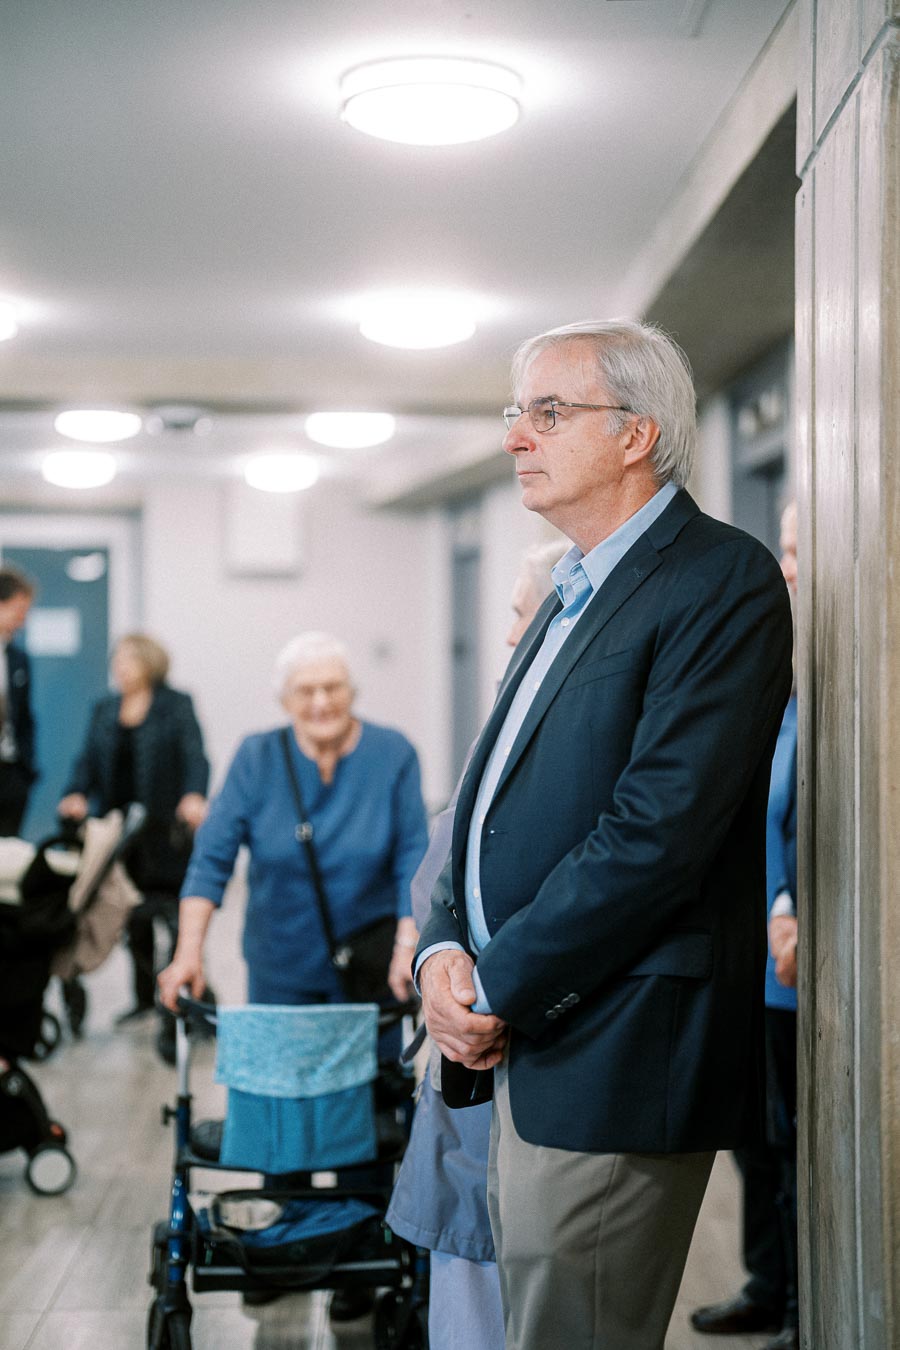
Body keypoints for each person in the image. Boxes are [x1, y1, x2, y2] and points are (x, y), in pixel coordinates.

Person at [415, 319, 795, 1350]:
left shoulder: (720, 579)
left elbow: (656, 837)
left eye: (548, 412)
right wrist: (444, 942)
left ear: (637, 433)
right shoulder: (574, 583)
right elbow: (485, 789)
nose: (517, 438)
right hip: (531, 1042)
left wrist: (494, 987)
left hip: (617, 1046)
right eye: (514, 414)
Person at [387, 539, 566, 1350]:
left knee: (499, 1268)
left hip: (511, 1026)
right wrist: (431, 951)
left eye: (521, 613)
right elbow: (446, 858)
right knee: (468, 1252)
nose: (508, 636)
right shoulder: (509, 716)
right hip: (464, 1012)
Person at [691, 500, 800, 1350]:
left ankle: (803, 1307)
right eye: (786, 550)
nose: (788, 567)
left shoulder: (824, 695)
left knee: (793, 1147)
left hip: (793, 963)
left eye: (798, 551)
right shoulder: (777, 677)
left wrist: (790, 902)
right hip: (746, 956)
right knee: (754, 1145)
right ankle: (769, 1287)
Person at [59, 633, 210, 1046]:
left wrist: (194, 795)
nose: (120, 668)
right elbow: (86, 761)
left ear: (149, 663)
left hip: (165, 832)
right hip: (118, 831)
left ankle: (185, 996)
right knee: (132, 915)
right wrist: (74, 792)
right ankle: (144, 998)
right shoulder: (105, 708)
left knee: (175, 918)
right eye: (117, 661)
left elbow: (195, 756)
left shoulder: (175, 705)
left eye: (128, 660)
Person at [0, 566, 37, 836]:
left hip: (12, 774)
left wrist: (26, 771)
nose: (23, 621)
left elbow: (24, 717)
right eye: (19, 611)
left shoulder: (18, 658)